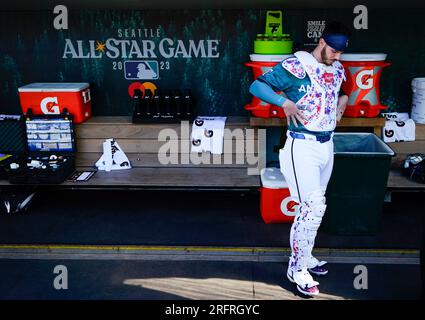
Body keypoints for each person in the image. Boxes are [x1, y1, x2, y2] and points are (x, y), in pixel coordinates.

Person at [249, 21, 351, 296]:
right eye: (333, 50)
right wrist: (284, 102)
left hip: (326, 144)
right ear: (321, 42)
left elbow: (343, 89)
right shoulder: (297, 65)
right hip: (301, 145)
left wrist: (342, 101)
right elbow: (257, 87)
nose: (337, 56)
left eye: (340, 52)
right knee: (312, 207)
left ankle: (306, 257)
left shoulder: (337, 67)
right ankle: (297, 269)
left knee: (316, 208)